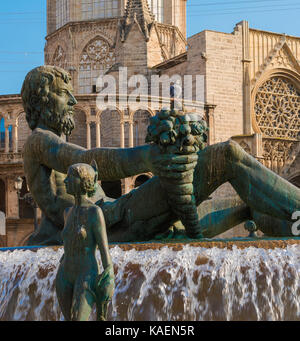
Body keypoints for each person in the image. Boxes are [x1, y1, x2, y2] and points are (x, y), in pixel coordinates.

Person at [21, 65, 300, 244]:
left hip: (122, 217)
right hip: (117, 221)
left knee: (246, 200)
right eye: (62, 94)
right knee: (227, 155)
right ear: (41, 99)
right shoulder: (39, 141)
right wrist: (150, 156)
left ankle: (293, 231)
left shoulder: (48, 143)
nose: (71, 101)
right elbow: (96, 162)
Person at [55, 160, 114, 321]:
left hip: (86, 274)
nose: (65, 181)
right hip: (64, 275)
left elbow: (104, 249)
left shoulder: (95, 212)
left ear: (83, 181)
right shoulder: (67, 212)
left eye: (70, 177)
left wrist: (109, 276)